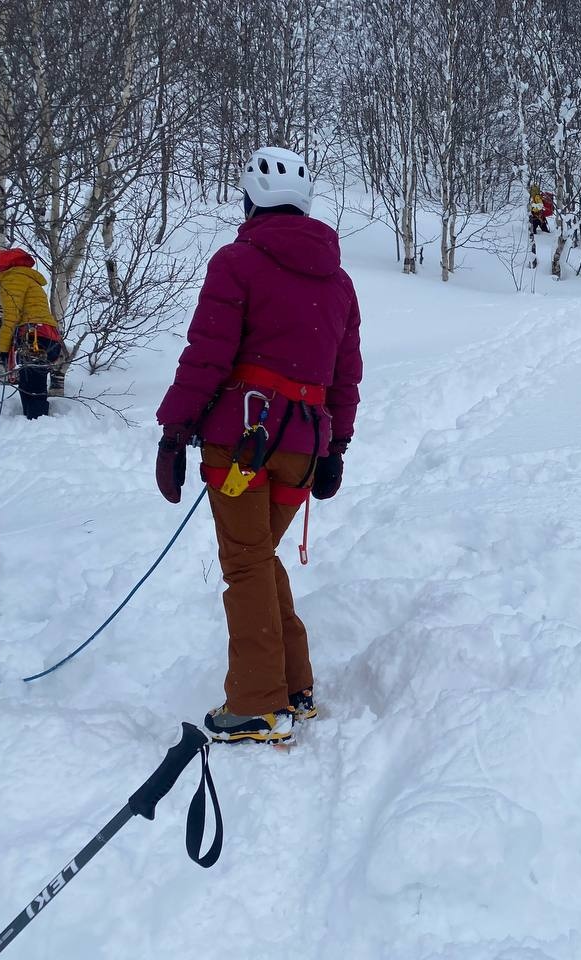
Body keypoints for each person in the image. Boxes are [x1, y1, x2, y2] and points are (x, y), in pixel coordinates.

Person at [155, 146, 363, 745]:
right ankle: (292, 687)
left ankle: (255, 703)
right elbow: (343, 376)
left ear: (251, 203)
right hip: (302, 443)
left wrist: (175, 430)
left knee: (245, 562)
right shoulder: (340, 281)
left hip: (240, 440)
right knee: (258, 556)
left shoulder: (237, 262)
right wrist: (337, 446)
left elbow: (207, 355)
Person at [0, 247, 66, 419]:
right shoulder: (23, 276)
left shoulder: (12, 279)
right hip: (45, 336)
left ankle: (38, 427)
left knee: (31, 387)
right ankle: (35, 422)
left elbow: (11, 316)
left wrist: (2, 349)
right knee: (29, 383)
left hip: (34, 336)